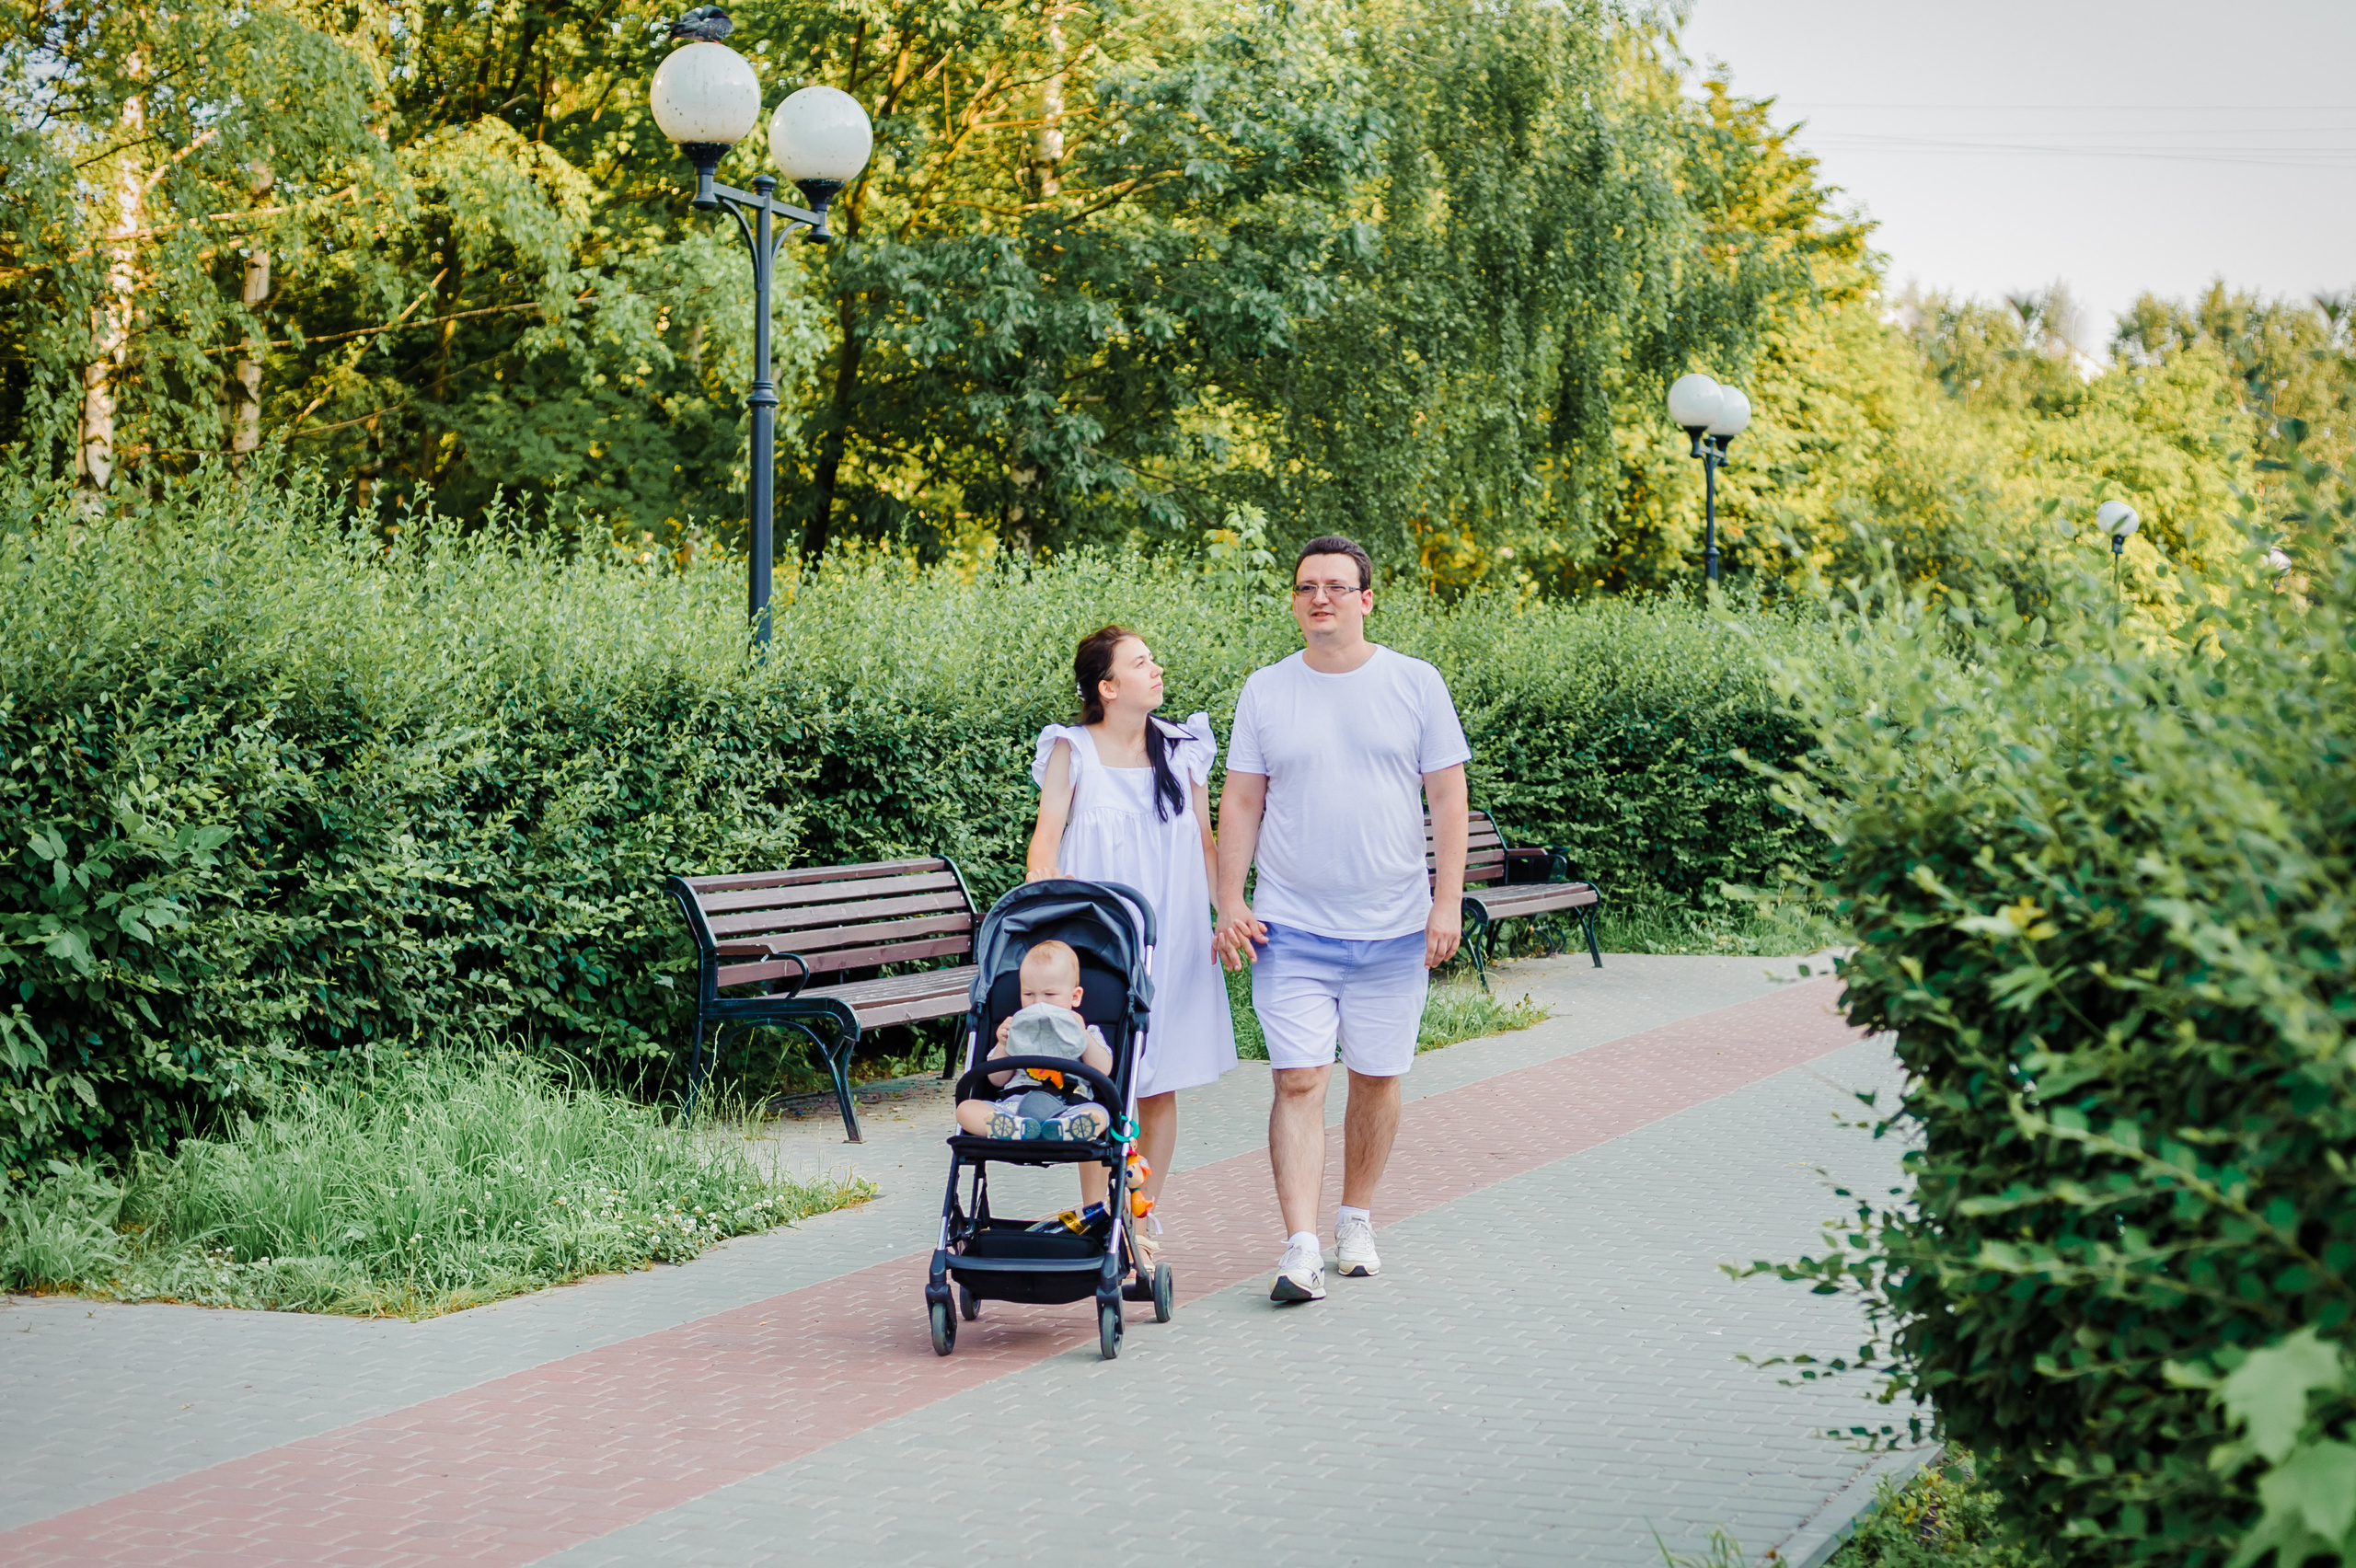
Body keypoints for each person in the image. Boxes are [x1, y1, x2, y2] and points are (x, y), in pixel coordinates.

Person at [1213, 535, 1470, 1304]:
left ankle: (1355, 1218)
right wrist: (1231, 899)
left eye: (1334, 585)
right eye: (1305, 587)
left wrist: (1446, 901)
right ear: (1294, 602)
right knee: (1297, 1079)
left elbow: (1448, 799)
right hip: (1290, 928)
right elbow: (1242, 801)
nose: (1318, 597)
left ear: (1365, 598)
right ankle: (1298, 1246)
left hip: (1393, 927)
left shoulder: (1415, 683)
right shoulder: (1265, 690)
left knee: (1378, 1078)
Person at [1026, 625, 1237, 1256]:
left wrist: (1226, 912)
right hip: (1099, 937)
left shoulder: (1183, 748)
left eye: (1154, 658)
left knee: (1159, 1079)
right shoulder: (1072, 749)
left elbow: (1205, 842)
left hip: (1170, 931)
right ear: (1108, 687)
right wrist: (1042, 879)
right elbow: (1047, 833)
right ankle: (1099, 1221)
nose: (1157, 670)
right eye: (1141, 663)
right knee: (1096, 1079)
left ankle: (1139, 1221)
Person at [954, 940, 1116, 1142]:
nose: (1038, 1003)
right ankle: (1012, 1128)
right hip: (1014, 1106)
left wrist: (1082, 1034)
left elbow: (1103, 1071)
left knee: (1101, 1115)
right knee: (966, 1109)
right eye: (1029, 994)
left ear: (1075, 997)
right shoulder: (1015, 1029)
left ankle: (1065, 1129)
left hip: (1070, 1105)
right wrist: (1004, 1044)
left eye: (1049, 994)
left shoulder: (1086, 1031)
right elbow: (996, 1079)